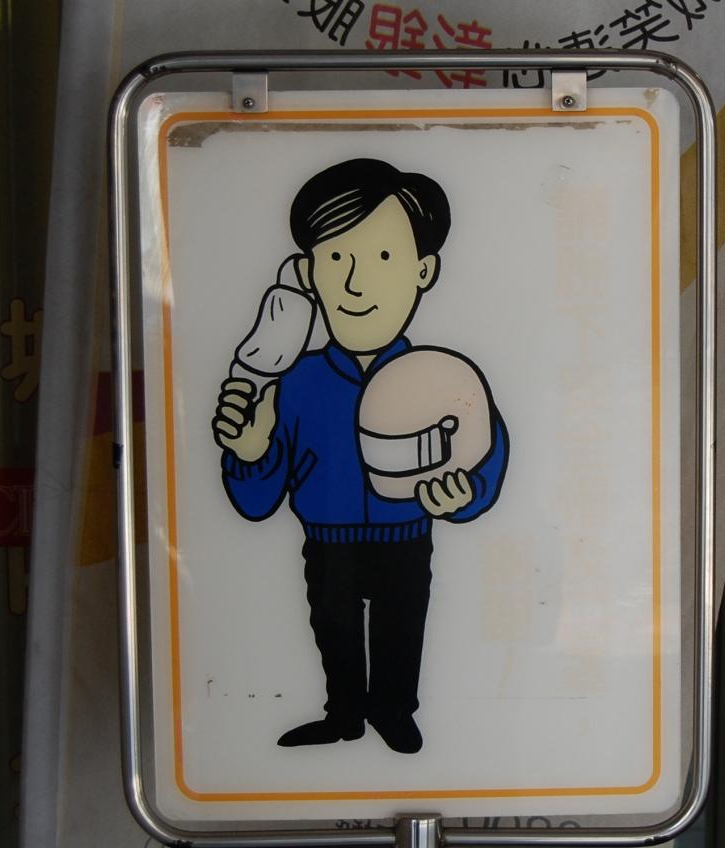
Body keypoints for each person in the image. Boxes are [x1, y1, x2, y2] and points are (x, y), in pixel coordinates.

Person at [211, 158, 509, 755]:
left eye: (384, 257)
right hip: (328, 540)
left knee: (404, 625)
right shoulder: (295, 382)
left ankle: (394, 712)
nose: (355, 283)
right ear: (308, 273)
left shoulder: (439, 377)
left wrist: (466, 494)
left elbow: (486, 446)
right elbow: (256, 501)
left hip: (407, 534)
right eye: (336, 258)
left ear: (424, 270)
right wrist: (248, 451)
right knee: (334, 628)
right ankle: (343, 713)